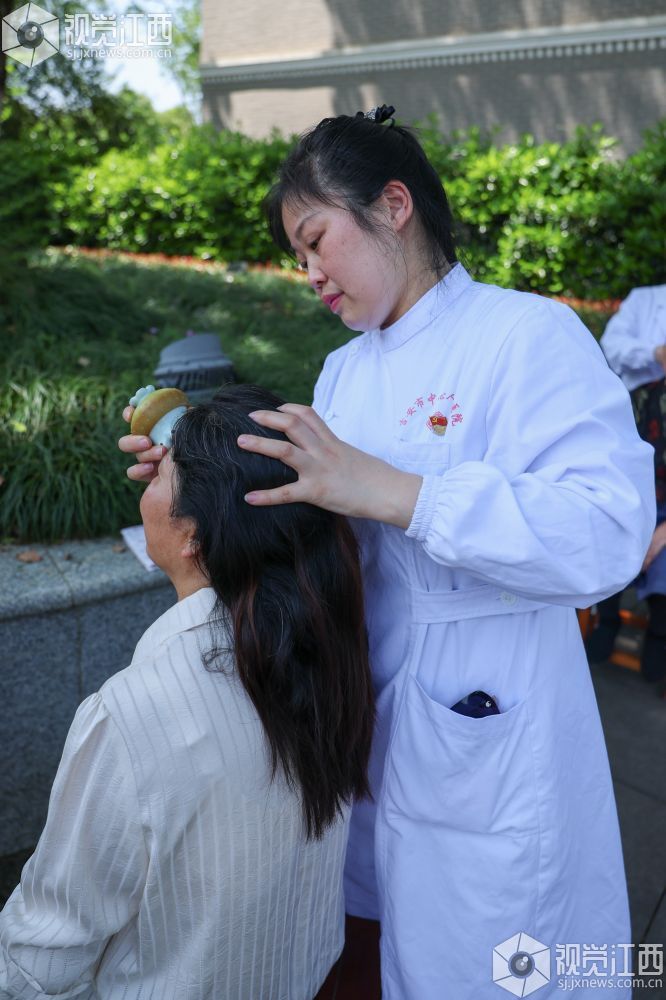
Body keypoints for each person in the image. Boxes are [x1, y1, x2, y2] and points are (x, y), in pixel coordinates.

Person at [119, 107, 655, 999]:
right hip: (365, 731)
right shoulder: (344, 373)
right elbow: (314, 518)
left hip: (489, 735)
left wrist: (401, 492)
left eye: (317, 238)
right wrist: (194, 482)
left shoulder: (524, 335)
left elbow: (608, 532)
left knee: (490, 968)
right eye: (298, 255)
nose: (309, 273)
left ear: (394, 205)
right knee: (375, 953)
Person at [0, 385, 374, 1000]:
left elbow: (42, 961)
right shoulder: (330, 659)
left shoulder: (134, 714)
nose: (142, 490)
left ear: (196, 536)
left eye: (158, 478)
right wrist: (202, 447)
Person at [586, 284, 666, 685]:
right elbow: (612, 347)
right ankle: (608, 619)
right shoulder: (646, 300)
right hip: (638, 457)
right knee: (611, 523)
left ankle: (659, 633)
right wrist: (656, 354)